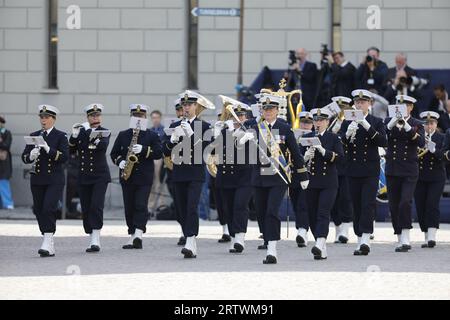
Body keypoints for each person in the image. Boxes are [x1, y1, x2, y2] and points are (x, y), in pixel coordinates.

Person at [240, 92, 309, 264]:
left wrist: (302, 175)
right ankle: (267, 239)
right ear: (261, 110)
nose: (268, 111)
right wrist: (243, 140)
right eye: (265, 109)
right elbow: (243, 153)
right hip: (259, 176)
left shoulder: (284, 128)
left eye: (271, 109)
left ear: (277, 110)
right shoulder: (253, 127)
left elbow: (295, 152)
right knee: (262, 212)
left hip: (278, 177)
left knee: (272, 211)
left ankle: (272, 249)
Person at [162, 90, 214, 259]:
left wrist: (191, 135)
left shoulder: (204, 126)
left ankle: (190, 241)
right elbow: (164, 150)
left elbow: (208, 149)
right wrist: (172, 140)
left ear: (195, 106)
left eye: (189, 105)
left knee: (192, 206)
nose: (186, 107)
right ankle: (189, 237)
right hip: (178, 173)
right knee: (180, 209)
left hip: (195, 173)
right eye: (184, 105)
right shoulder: (174, 126)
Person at [340, 90, 387, 255]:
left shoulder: (376, 121)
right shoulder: (347, 122)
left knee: (368, 203)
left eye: (363, 102)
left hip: (370, 170)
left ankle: (366, 238)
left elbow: (383, 141)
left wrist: (366, 125)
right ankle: (359, 238)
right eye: (357, 102)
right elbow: (341, 145)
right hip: (353, 169)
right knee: (357, 204)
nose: (360, 104)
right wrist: (346, 134)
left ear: (370, 104)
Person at [110, 104, 162, 250]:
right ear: (131, 117)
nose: (138, 118)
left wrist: (144, 150)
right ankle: (132, 234)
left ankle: (138, 233)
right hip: (127, 176)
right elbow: (114, 154)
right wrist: (120, 162)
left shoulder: (152, 135)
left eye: (141, 116)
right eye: (135, 116)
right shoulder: (123, 134)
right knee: (129, 206)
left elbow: (158, 153)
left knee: (140, 204)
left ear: (145, 118)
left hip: (144, 176)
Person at [21, 105, 68, 257]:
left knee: (49, 208)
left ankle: (47, 241)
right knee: (39, 209)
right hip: (37, 179)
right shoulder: (34, 135)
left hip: (54, 179)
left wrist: (49, 150)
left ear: (53, 119)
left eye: (47, 117)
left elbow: (64, 158)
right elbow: (24, 157)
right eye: (41, 117)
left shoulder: (61, 136)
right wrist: (31, 156)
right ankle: (48, 239)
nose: (43, 120)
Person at [384, 95, 425, 252]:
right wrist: (393, 122)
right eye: (400, 105)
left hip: (409, 169)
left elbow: (421, 142)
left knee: (405, 202)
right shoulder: (388, 121)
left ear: (411, 108)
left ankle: (406, 236)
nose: (403, 108)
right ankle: (399, 236)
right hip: (393, 168)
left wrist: (407, 127)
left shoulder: (416, 124)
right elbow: (383, 136)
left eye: (406, 105)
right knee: (394, 204)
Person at [302, 108, 344, 260]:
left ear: (327, 122)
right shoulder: (306, 137)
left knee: (322, 212)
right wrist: (305, 157)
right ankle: (322, 246)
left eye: (321, 120)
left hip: (328, 182)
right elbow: (297, 160)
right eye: (316, 120)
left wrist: (323, 150)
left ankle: (319, 243)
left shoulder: (333, 138)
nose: (318, 123)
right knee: (312, 215)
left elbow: (340, 158)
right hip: (311, 182)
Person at [68, 104, 111, 253]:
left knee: (96, 205)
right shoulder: (81, 133)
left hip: (100, 176)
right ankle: (91, 234)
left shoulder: (104, 132)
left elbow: (102, 147)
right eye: (92, 116)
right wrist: (73, 136)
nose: (96, 118)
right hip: (84, 175)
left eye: (98, 115)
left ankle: (96, 239)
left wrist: (87, 131)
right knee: (86, 208)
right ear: (87, 117)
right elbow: (71, 151)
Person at [213, 99, 253, 253]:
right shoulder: (224, 131)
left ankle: (240, 238)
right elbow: (212, 151)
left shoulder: (251, 131)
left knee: (240, 205)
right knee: (228, 208)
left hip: (245, 176)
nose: (238, 118)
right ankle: (233, 235)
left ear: (246, 117)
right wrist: (221, 134)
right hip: (226, 175)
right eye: (235, 115)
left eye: (241, 115)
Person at [415, 111, 446, 248]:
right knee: (421, 205)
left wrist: (434, 150)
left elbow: (445, 157)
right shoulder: (418, 137)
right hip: (420, 176)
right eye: (426, 124)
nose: (429, 126)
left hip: (436, 177)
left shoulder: (442, 137)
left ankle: (432, 236)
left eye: (431, 123)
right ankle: (426, 234)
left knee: (432, 204)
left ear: (436, 124)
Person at [328, 96, 354, 244]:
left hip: (346, 165)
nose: (341, 110)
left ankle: (345, 229)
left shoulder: (352, 121)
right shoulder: (330, 121)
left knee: (345, 197)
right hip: (332, 165)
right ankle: (338, 228)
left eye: (344, 107)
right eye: (339, 107)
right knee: (333, 200)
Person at [290, 111, 313, 247]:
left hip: (308, 176)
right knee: (295, 204)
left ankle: (302, 231)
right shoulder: (292, 135)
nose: (305, 125)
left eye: (308, 123)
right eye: (303, 122)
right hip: (294, 175)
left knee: (303, 205)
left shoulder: (315, 137)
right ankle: (301, 229)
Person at [148, 110, 166, 215]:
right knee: (151, 182)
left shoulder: (164, 130)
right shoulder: (149, 131)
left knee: (159, 182)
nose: (155, 120)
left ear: (160, 118)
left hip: (160, 158)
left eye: (157, 117)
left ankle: (160, 204)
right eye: (153, 118)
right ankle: (150, 205)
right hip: (151, 158)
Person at [0, 116, 14, 210]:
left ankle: (8, 203)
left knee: (3, 183)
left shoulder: (7, 133)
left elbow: (6, 146)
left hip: (3, 163)